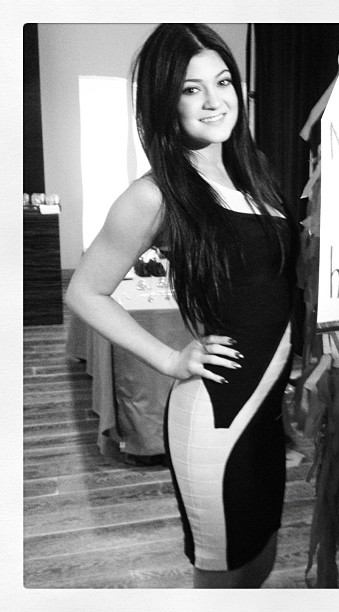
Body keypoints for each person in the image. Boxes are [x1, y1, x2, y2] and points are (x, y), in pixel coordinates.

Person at [66, 23, 298, 588]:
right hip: (215, 415)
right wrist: (170, 359)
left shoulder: (255, 173)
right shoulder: (154, 194)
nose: (214, 100)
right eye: (192, 89)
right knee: (223, 578)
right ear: (165, 102)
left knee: (261, 559)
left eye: (223, 81)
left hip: (265, 413)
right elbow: (84, 291)